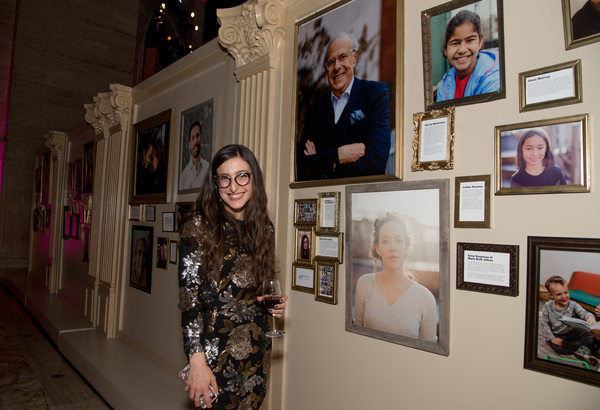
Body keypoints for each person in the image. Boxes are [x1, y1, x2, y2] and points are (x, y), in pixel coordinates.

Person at [178, 144, 288, 409]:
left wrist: (271, 303)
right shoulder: (197, 226)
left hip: (257, 347)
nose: (233, 186)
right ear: (215, 184)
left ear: (254, 179)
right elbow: (188, 300)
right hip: (215, 352)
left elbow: (258, 286)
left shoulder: (264, 227)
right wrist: (196, 360)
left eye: (242, 176)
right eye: (224, 178)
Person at [296, 32, 391, 181]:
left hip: (359, 198)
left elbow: (375, 164)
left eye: (342, 57)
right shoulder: (315, 110)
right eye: (331, 62)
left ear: (354, 58)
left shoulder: (375, 94)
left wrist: (321, 163)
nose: (337, 67)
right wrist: (339, 156)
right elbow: (303, 168)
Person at [354, 213, 437, 341]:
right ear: (378, 248)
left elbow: (430, 355)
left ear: (406, 247)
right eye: (385, 241)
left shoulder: (426, 298)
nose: (393, 248)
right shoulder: (364, 284)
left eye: (399, 240)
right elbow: (356, 336)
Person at [436, 10, 500, 102]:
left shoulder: (494, 79)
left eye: (469, 41)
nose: (462, 50)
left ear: (480, 41)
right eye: (455, 43)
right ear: (445, 49)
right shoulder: (444, 84)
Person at [540, 276, 597, 361]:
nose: (564, 296)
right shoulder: (547, 307)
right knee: (558, 347)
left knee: (590, 337)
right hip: (558, 335)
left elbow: (584, 313)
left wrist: (590, 317)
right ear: (551, 295)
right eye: (559, 294)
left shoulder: (573, 304)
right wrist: (552, 338)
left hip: (572, 333)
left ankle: (582, 348)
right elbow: (544, 323)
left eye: (566, 292)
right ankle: (582, 348)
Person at [180, 121, 210, 191]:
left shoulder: (208, 168)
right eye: (193, 138)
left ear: (201, 138)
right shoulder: (184, 175)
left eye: (197, 136)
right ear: (189, 144)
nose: (196, 141)